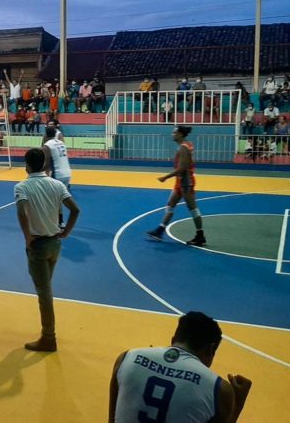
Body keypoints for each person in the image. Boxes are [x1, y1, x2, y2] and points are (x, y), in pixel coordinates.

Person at [108, 311, 252, 423]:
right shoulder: (219, 390)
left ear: (173, 340)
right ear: (210, 349)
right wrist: (236, 402)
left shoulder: (127, 358)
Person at [14, 148, 80, 352]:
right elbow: (75, 209)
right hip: (55, 244)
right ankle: (47, 334)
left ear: (27, 164)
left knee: (44, 293)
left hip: (38, 245)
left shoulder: (22, 187)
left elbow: (21, 212)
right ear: (43, 163)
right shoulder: (57, 184)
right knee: (46, 288)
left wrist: (27, 237)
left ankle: (49, 337)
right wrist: (66, 231)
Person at [146, 125, 206, 246]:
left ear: (180, 134)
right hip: (181, 181)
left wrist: (165, 177)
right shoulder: (186, 145)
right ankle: (159, 230)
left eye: (174, 133)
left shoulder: (183, 148)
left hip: (185, 182)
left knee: (193, 209)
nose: (172, 134)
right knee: (170, 205)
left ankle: (200, 235)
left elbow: (182, 168)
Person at [42, 126, 72, 227]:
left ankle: (53, 222)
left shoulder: (47, 145)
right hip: (67, 173)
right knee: (58, 198)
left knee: (50, 198)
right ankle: (60, 221)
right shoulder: (61, 143)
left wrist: (39, 175)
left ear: (46, 134)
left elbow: (46, 163)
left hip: (57, 174)